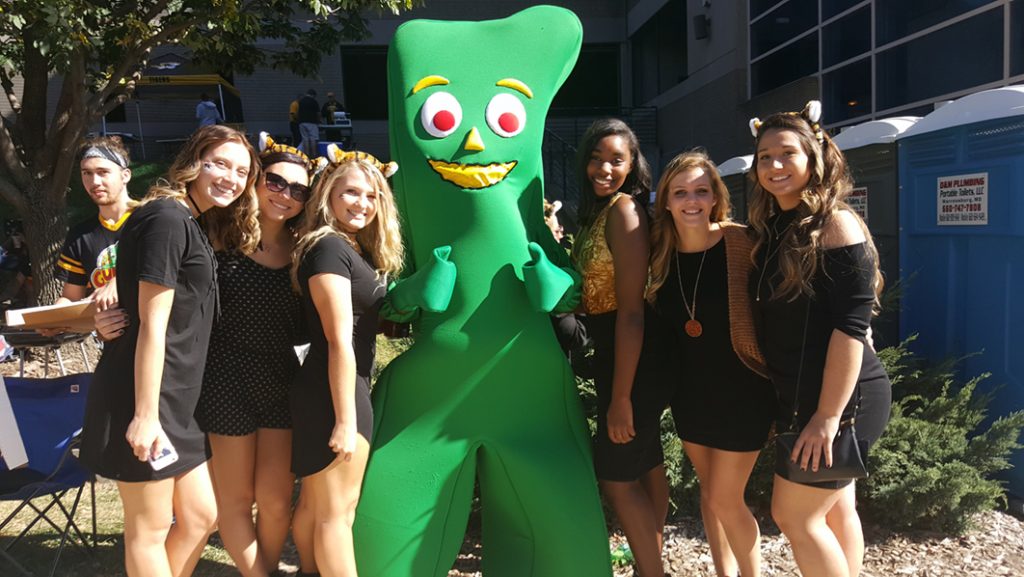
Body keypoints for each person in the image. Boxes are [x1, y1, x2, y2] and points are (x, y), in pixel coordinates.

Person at [80, 125, 260, 577]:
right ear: (195, 161)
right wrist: (144, 415)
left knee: (201, 516)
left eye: (241, 171)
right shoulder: (167, 218)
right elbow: (152, 325)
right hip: (146, 398)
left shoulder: (188, 222)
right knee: (151, 527)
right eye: (220, 163)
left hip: (179, 402)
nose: (230, 178)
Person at [748, 101, 892, 577]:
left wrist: (829, 417)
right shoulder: (775, 228)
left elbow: (851, 329)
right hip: (806, 392)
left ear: (814, 157)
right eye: (764, 156)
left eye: (786, 153)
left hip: (841, 398)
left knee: (794, 515)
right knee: (833, 510)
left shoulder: (836, 224)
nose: (773, 166)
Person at [648, 151, 775, 577]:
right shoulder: (658, 255)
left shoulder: (742, 243)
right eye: (680, 191)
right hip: (691, 396)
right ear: (665, 199)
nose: (691, 200)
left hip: (745, 391)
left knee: (725, 498)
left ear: (715, 197)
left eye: (701, 191)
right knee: (710, 494)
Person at [194, 133, 313, 577]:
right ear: (258, 180)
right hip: (224, 376)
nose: (286, 195)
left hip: (281, 377)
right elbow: (158, 259)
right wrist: (113, 284)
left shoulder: (305, 251)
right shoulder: (216, 233)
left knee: (278, 499)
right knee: (236, 499)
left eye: (299, 190)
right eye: (277, 182)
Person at [289, 150, 403, 576]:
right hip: (335, 389)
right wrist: (344, 419)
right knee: (338, 515)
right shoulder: (329, 249)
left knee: (318, 505)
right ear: (328, 195)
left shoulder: (348, 247)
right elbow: (339, 340)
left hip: (330, 387)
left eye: (372, 195)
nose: (362, 203)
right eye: (351, 192)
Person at [571, 118, 670, 577]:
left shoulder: (624, 211)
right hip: (617, 346)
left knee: (615, 475)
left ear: (632, 166)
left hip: (632, 350)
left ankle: (652, 572)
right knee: (646, 462)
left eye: (616, 159)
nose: (604, 168)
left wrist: (621, 397)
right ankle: (652, 562)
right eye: (597, 157)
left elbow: (631, 311)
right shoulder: (600, 208)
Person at [40, 136, 137, 340]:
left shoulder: (153, 219)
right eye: (87, 173)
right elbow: (70, 297)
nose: (95, 182)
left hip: (161, 335)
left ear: (125, 175)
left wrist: (119, 281)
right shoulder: (79, 235)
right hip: (113, 342)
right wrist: (54, 319)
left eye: (103, 172)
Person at [297, 89, 320, 156]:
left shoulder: (301, 101)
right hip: (311, 122)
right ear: (313, 95)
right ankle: (314, 155)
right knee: (313, 139)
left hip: (302, 122)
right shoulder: (314, 101)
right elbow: (318, 113)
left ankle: (306, 155)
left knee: (305, 139)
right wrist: (318, 121)